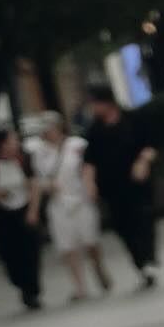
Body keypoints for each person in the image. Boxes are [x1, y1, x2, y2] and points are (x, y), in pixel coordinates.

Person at [82, 82, 160, 289]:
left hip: (137, 183)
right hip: (112, 188)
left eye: (95, 103)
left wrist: (143, 162)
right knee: (123, 227)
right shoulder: (95, 130)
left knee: (144, 220)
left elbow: (150, 145)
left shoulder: (133, 119)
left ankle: (149, 258)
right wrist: (89, 184)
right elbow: (89, 161)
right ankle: (140, 263)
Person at [30, 113, 111, 302]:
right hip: (58, 203)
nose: (47, 132)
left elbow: (90, 166)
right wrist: (46, 187)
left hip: (81, 198)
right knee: (67, 246)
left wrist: (91, 184)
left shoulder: (77, 145)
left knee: (91, 241)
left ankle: (98, 268)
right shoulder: (39, 152)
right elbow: (37, 179)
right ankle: (79, 286)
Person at [0, 128, 43, 311]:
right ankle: (19, 282)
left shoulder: (23, 160)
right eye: (12, 141)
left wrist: (33, 210)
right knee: (9, 253)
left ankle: (32, 290)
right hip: (4, 215)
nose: (15, 144)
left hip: (24, 210)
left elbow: (34, 185)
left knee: (31, 252)